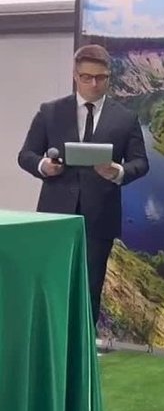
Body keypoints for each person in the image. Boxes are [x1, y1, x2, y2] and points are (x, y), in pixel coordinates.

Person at [18, 44, 149, 323]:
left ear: (109, 77)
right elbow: (26, 155)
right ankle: (51, 340)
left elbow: (140, 163)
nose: (94, 84)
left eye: (100, 78)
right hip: (54, 217)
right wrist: (43, 166)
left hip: (99, 219)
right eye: (87, 77)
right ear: (75, 76)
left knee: (89, 290)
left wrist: (117, 171)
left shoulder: (125, 118)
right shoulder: (50, 112)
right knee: (51, 285)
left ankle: (85, 344)